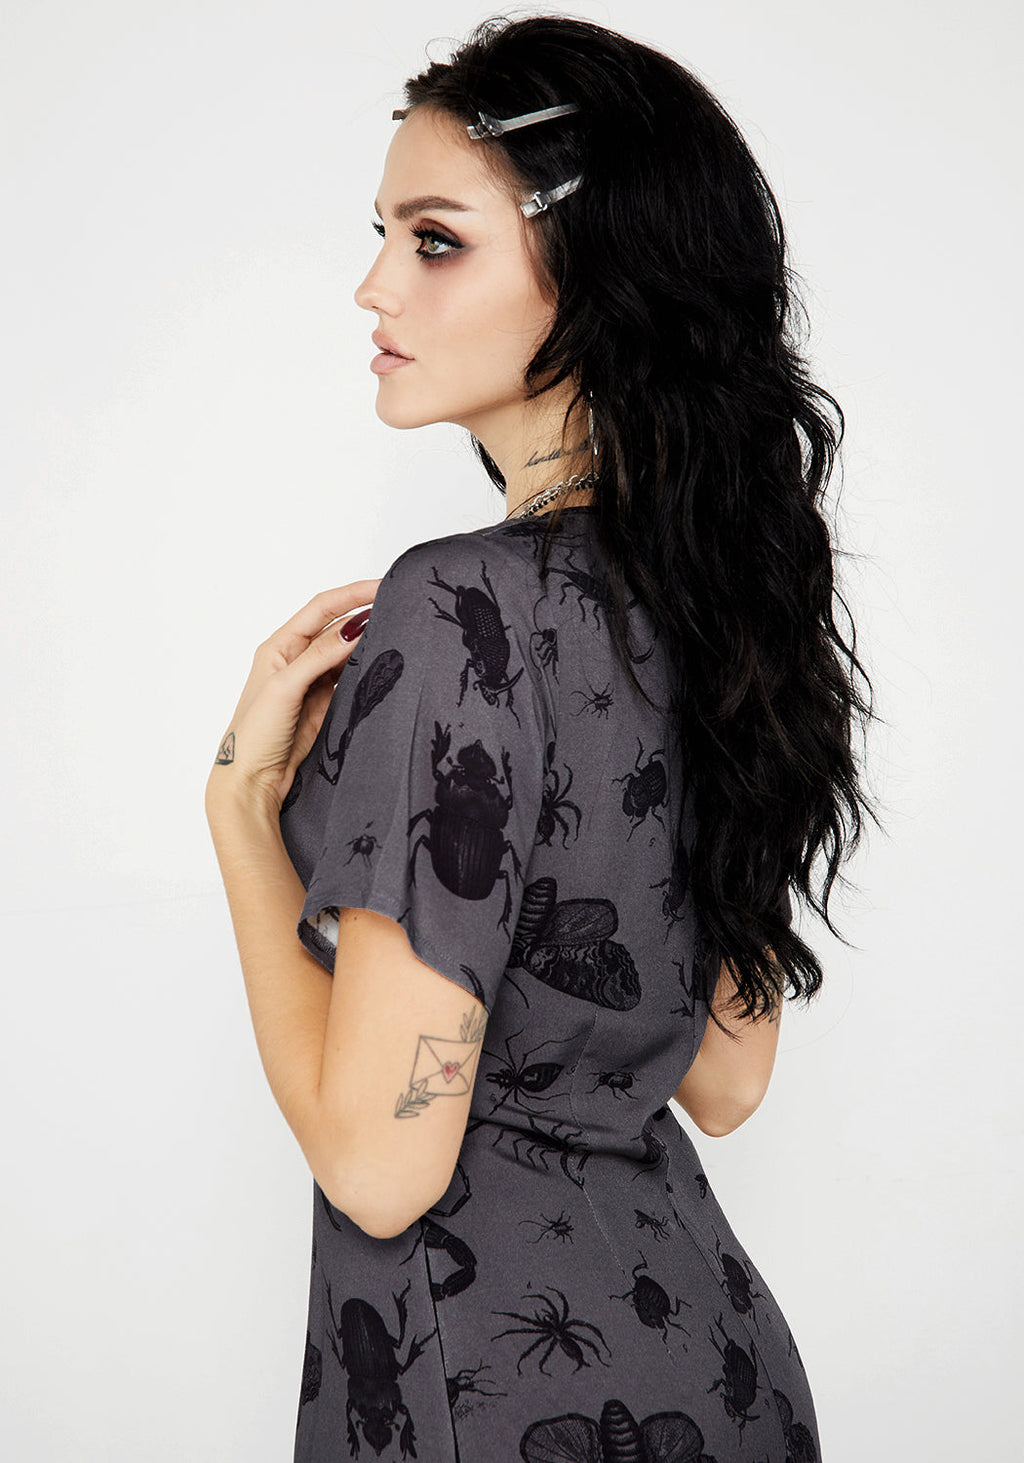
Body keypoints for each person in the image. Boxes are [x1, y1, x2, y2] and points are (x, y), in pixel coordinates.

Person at [205, 14, 878, 1461]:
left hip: (497, 1391)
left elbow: (381, 1171)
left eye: (436, 240)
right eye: (384, 235)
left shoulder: (463, 607)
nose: (375, 284)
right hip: (719, 1374)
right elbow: (727, 1080)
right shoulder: (720, 604)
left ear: (600, 271)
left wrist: (245, 809)